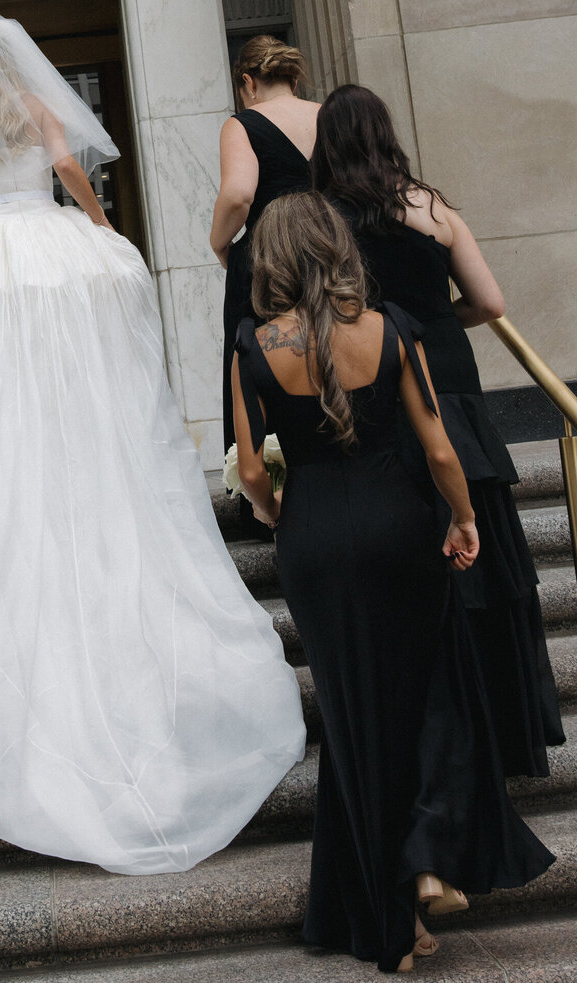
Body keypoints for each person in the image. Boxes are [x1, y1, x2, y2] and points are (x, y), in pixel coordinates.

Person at [0, 14, 307, 874]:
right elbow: (71, 172)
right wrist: (103, 230)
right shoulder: (36, 106)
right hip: (50, 246)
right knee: (77, 377)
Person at [232, 194, 553, 974]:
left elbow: (247, 468)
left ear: (271, 258)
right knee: (431, 691)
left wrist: (279, 512)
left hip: (314, 536)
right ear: (338, 248)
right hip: (400, 524)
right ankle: (426, 857)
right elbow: (441, 449)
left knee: (353, 719)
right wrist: (464, 517)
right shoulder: (390, 328)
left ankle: (393, 924)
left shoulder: (253, 341)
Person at [311, 83, 564, 778]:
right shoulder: (430, 204)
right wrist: (441, 314)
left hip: (380, 380)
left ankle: (436, 729)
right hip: (450, 372)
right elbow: (491, 300)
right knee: (480, 556)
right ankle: (503, 726)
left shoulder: (324, 219)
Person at [210, 35, 317, 457]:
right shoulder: (329, 115)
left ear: (248, 83)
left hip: (270, 259)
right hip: (331, 250)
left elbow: (238, 195)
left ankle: (265, 475)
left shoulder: (243, 124)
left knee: (256, 360)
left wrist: (221, 244)